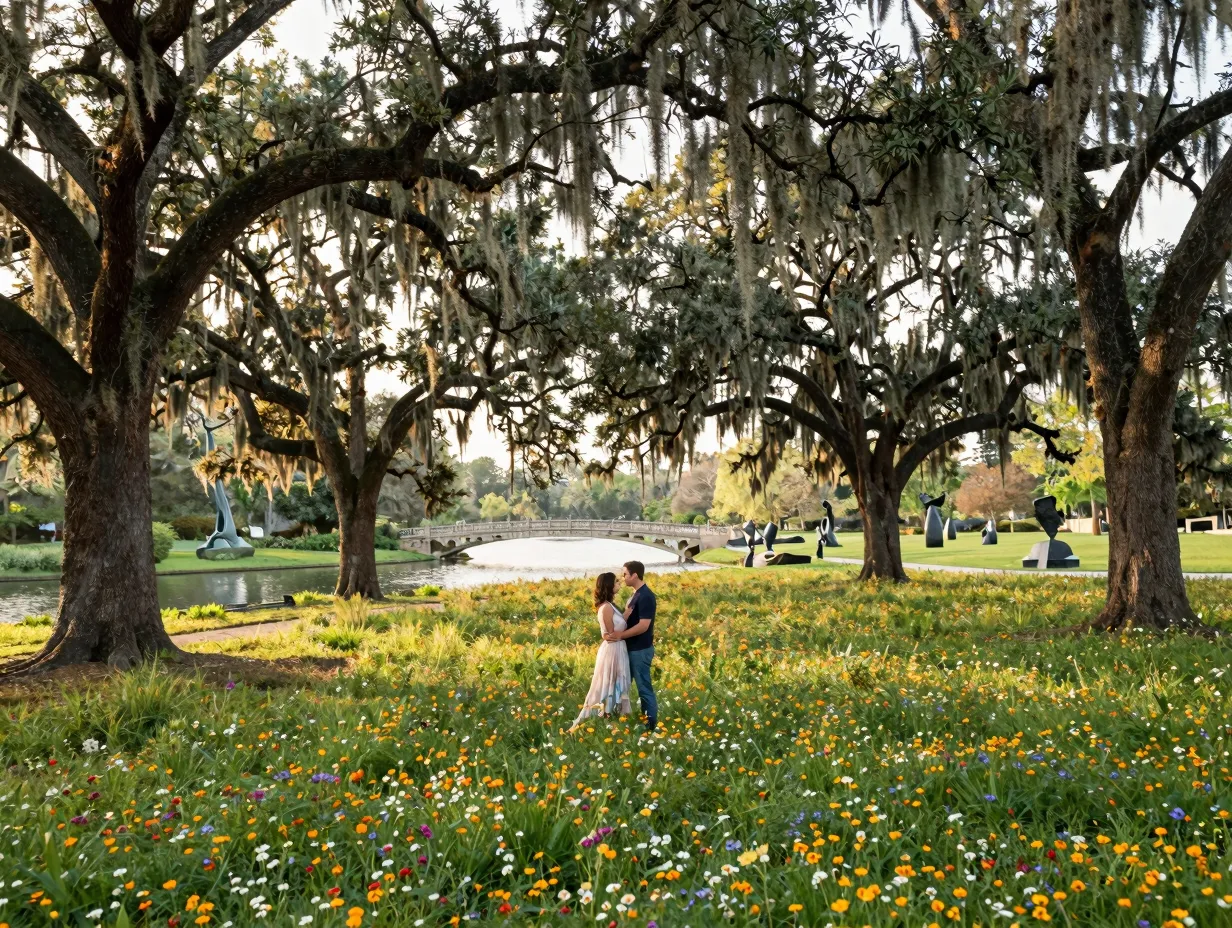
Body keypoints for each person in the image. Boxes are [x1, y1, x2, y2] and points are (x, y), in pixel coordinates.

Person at [569, 572, 631, 731]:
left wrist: (626, 614)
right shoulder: (606, 608)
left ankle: (613, 712)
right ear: (609, 586)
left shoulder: (610, 606)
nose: (620, 583)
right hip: (613, 649)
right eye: (617, 582)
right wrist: (624, 623)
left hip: (617, 647)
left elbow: (615, 629)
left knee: (616, 680)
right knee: (609, 681)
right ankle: (605, 713)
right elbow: (611, 634)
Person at [604, 560, 657, 732]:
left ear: (635, 575)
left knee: (643, 687)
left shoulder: (646, 596)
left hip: (640, 649)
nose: (623, 577)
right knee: (621, 685)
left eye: (625, 574)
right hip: (630, 649)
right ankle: (613, 716)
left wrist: (621, 635)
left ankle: (650, 724)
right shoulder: (635, 595)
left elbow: (643, 626)